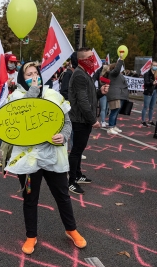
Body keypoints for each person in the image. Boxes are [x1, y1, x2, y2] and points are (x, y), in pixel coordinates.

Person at [3, 61, 87, 254]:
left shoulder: (52, 95)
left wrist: (64, 135)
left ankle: (71, 229)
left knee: (62, 196)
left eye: (36, 73)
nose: (34, 76)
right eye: (28, 74)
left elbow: (66, 122)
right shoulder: (15, 98)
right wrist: (32, 90)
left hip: (52, 157)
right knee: (30, 198)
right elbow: (23, 115)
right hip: (28, 159)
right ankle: (31, 236)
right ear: (21, 79)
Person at [68, 48, 109, 195]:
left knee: (79, 150)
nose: (93, 61)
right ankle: (71, 181)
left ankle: (77, 175)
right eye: (89, 58)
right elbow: (83, 101)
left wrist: (99, 92)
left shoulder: (84, 73)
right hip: (80, 119)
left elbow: (89, 96)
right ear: (81, 60)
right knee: (76, 151)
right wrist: (92, 120)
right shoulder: (79, 75)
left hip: (83, 119)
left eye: (92, 57)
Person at [106, 55, 129, 135]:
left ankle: (114, 126)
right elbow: (117, 70)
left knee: (116, 112)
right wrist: (120, 60)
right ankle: (110, 127)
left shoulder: (119, 75)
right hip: (115, 95)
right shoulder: (113, 74)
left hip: (120, 95)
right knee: (114, 112)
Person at [141, 61, 157, 127]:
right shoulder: (147, 74)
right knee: (146, 106)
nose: (155, 67)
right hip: (148, 91)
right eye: (154, 65)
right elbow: (146, 83)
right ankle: (143, 121)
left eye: (156, 65)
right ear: (151, 66)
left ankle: (150, 120)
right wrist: (152, 83)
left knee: (152, 107)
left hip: (155, 91)